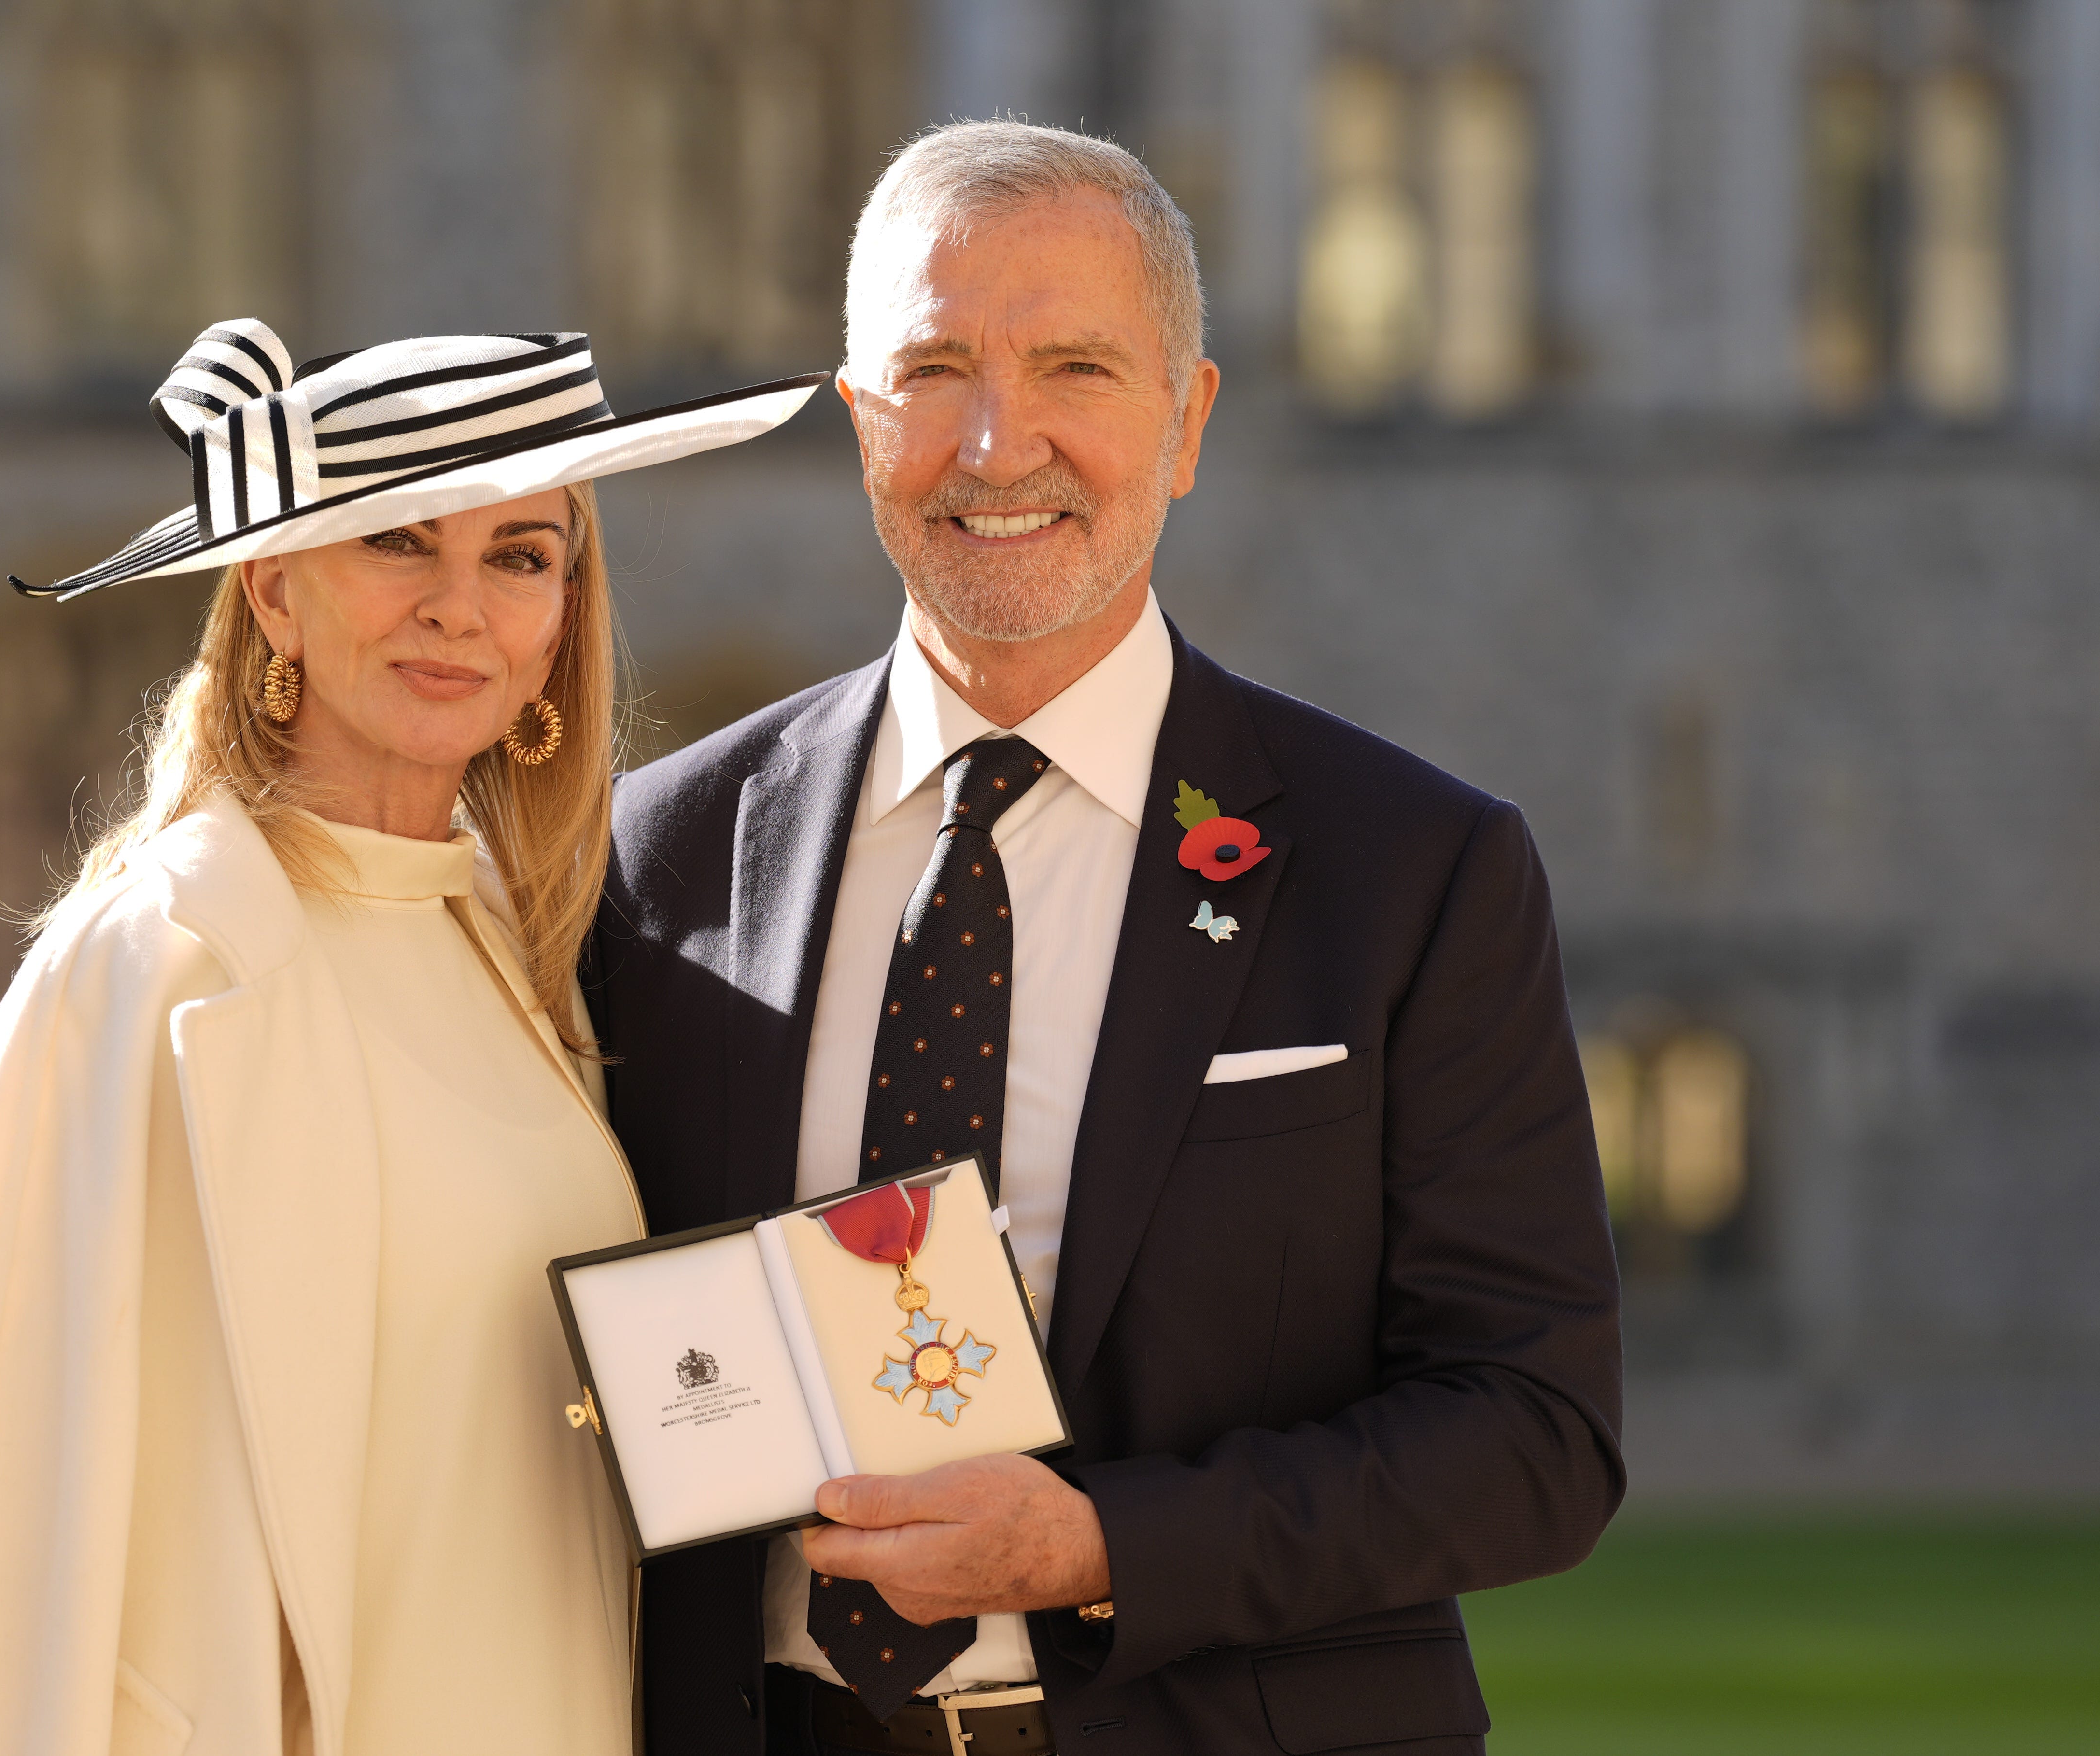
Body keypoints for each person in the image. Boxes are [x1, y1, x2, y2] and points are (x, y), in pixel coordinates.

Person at [587, 122, 1625, 1756]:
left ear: (1189, 417)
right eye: (934, 370)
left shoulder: (1413, 870)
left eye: (1075, 365)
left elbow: (1536, 1437)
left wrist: (1095, 1547)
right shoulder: (660, 856)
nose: (1000, 448)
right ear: (859, 424)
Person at [0, 323, 822, 1756]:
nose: (462, 608)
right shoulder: (153, 966)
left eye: (520, 557)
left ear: (563, 616)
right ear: (273, 591)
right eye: (398, 544)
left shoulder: (520, 964)